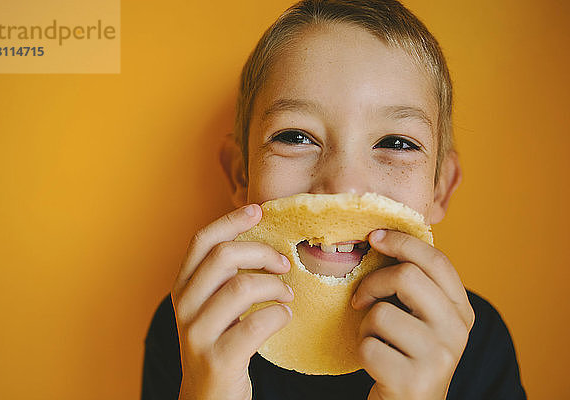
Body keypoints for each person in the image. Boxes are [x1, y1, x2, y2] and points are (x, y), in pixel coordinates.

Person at [141, 1, 526, 399]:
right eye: (295, 137)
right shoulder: (193, 328)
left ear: (439, 189)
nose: (345, 186)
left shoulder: (477, 343)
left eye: (396, 143)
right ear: (242, 173)